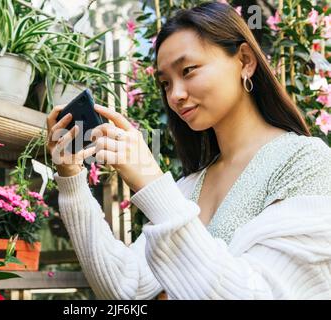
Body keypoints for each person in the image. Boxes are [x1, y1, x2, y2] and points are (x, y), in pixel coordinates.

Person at [45, 2, 331, 299]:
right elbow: (125, 288)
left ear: (245, 60)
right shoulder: (188, 187)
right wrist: (71, 179)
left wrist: (150, 179)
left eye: (189, 70)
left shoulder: (307, 164)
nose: (176, 95)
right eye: (166, 83)